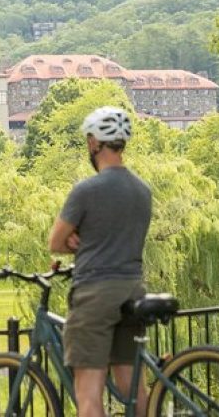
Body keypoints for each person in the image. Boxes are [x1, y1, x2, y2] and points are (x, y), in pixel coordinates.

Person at [48, 106, 152, 417]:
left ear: (94, 142)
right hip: (134, 289)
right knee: (132, 386)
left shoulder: (86, 190)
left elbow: (55, 242)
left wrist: (79, 241)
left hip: (95, 293)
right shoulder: (142, 190)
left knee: (88, 393)